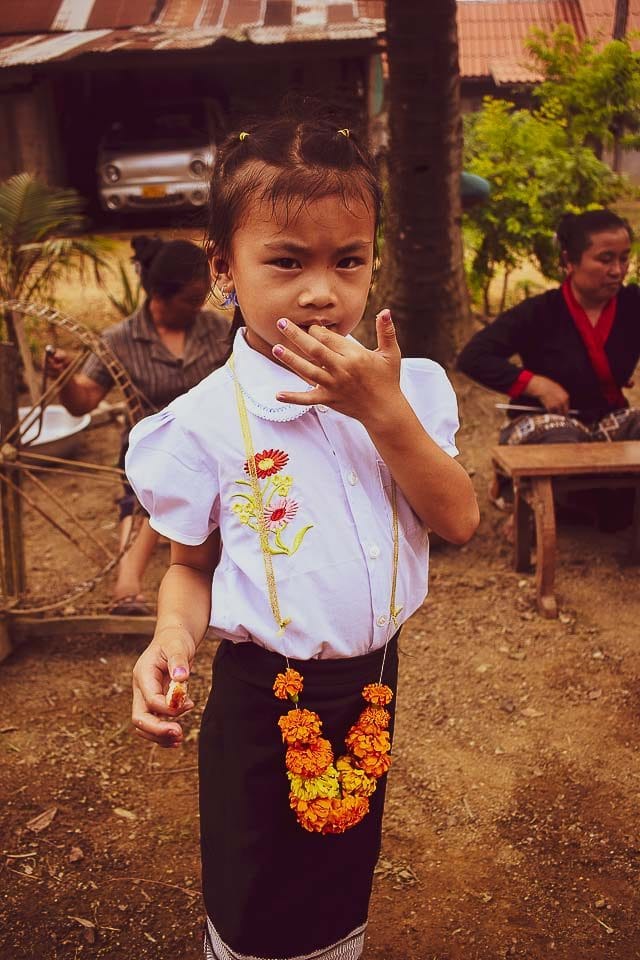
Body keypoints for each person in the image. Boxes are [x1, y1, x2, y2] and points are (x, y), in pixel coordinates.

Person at [125, 115, 479, 960]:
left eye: (348, 259)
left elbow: (459, 521)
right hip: (261, 703)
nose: (322, 291)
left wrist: (384, 414)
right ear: (224, 269)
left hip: (375, 689)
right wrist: (171, 637)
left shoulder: (412, 393)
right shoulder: (203, 424)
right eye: (287, 261)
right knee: (257, 905)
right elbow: (188, 566)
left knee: (338, 890)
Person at [47, 236, 231, 614]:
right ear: (160, 295)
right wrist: (64, 379)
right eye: (191, 299)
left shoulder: (215, 330)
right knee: (153, 486)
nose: (199, 306)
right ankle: (127, 585)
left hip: (211, 444)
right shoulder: (119, 339)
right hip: (149, 450)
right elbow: (83, 401)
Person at [457, 209, 640, 525]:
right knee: (561, 445)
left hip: (607, 420)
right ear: (569, 262)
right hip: (547, 422)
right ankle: (534, 502)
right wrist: (535, 384)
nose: (618, 270)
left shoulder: (633, 305)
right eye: (605, 259)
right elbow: (474, 356)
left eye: (624, 259)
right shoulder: (540, 312)